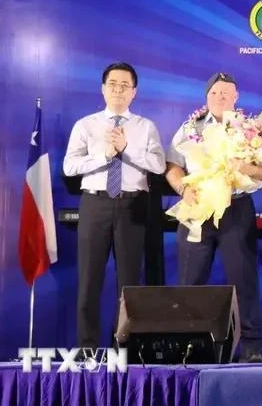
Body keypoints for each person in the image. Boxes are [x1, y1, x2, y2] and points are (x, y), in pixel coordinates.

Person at [165, 72, 262, 363]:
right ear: (207, 97)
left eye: (226, 93)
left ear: (236, 98)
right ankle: (188, 346)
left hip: (235, 208)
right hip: (198, 209)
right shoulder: (190, 127)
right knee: (190, 280)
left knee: (244, 281)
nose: (220, 97)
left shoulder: (250, 129)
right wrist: (182, 188)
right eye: (215, 93)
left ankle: (252, 349)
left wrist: (246, 167)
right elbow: (172, 166)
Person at [63, 61, 166, 350]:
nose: (118, 90)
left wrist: (127, 150)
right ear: (103, 89)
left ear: (134, 92)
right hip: (95, 203)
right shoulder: (86, 125)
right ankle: (87, 349)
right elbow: (70, 166)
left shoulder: (146, 127)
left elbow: (158, 165)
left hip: (133, 205)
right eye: (113, 84)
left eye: (125, 86)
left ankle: (125, 349)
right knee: (89, 280)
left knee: (130, 283)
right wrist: (105, 155)